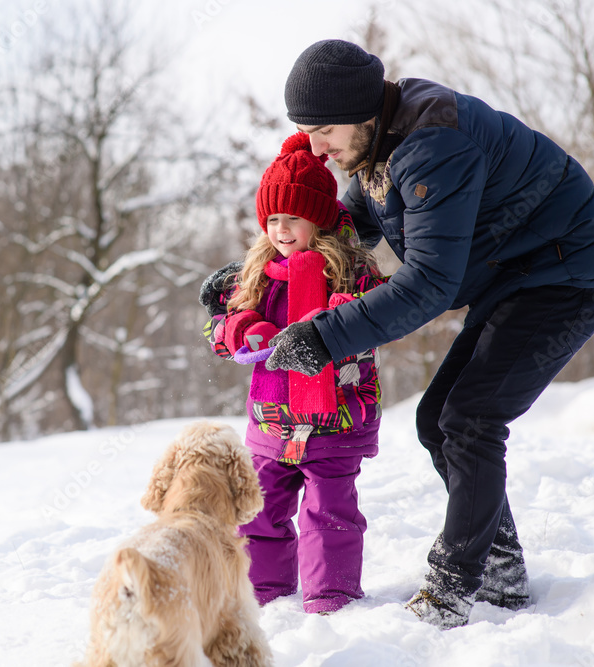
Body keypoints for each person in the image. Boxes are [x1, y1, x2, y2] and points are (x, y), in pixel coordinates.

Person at [201, 39, 594, 628]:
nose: (317, 148)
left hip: (567, 273)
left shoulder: (431, 147)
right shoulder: (378, 146)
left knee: (469, 419)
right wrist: (256, 274)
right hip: (516, 276)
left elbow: (429, 283)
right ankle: (499, 573)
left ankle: (454, 584)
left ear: (360, 111)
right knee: (440, 420)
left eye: (323, 130)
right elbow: (335, 228)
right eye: (307, 132)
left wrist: (325, 336)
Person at [203, 132, 387, 614]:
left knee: (329, 515)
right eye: (273, 219)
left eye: (294, 218)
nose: (281, 230)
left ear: (319, 220)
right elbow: (219, 328)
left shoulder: (349, 271)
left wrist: (342, 316)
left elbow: (382, 314)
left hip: (334, 423)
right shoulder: (257, 274)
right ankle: (263, 595)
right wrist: (242, 327)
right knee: (257, 514)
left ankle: (332, 597)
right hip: (270, 424)